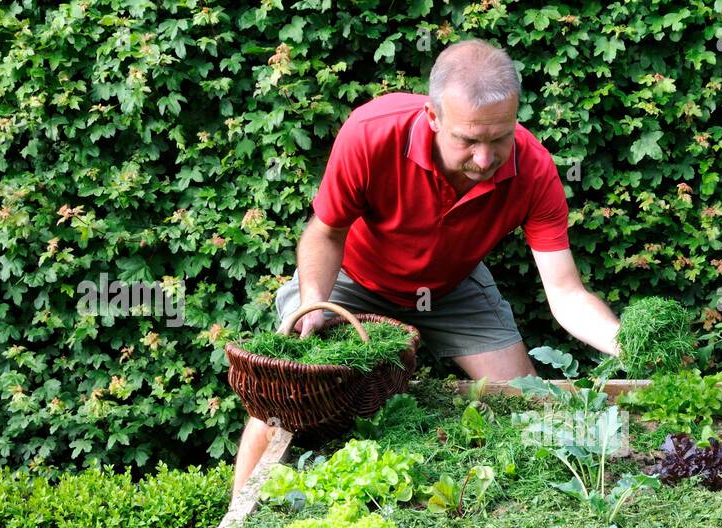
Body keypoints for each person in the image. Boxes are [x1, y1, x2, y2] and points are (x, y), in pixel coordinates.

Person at [232, 38, 621, 494]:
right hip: (352, 279)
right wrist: (315, 302)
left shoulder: (534, 170)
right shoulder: (372, 133)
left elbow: (567, 294)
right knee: (282, 402)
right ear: (432, 117)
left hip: (451, 286)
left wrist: (624, 345)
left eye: (499, 138)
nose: (485, 158)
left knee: (525, 401)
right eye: (468, 140)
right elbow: (326, 232)